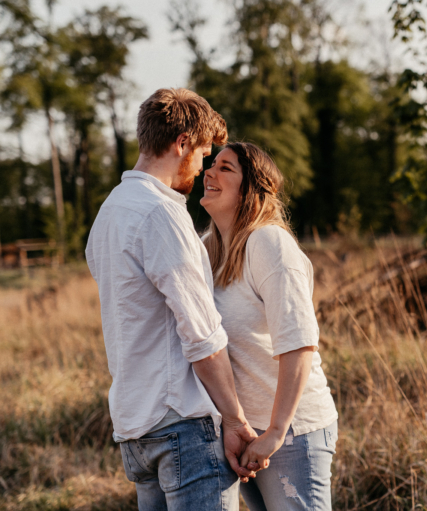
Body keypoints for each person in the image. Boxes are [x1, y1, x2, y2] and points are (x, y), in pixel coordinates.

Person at [85, 88, 259, 510]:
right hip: (181, 426)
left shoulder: (109, 212)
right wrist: (235, 419)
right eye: (202, 154)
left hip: (135, 429)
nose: (202, 169)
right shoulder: (162, 214)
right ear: (181, 143)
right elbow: (201, 336)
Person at [200, 142, 338, 510]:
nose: (208, 173)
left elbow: (299, 344)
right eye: (211, 164)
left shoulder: (269, 243)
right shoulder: (207, 249)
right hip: (242, 432)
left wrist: (275, 432)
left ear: (251, 189)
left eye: (225, 168)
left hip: (292, 432)